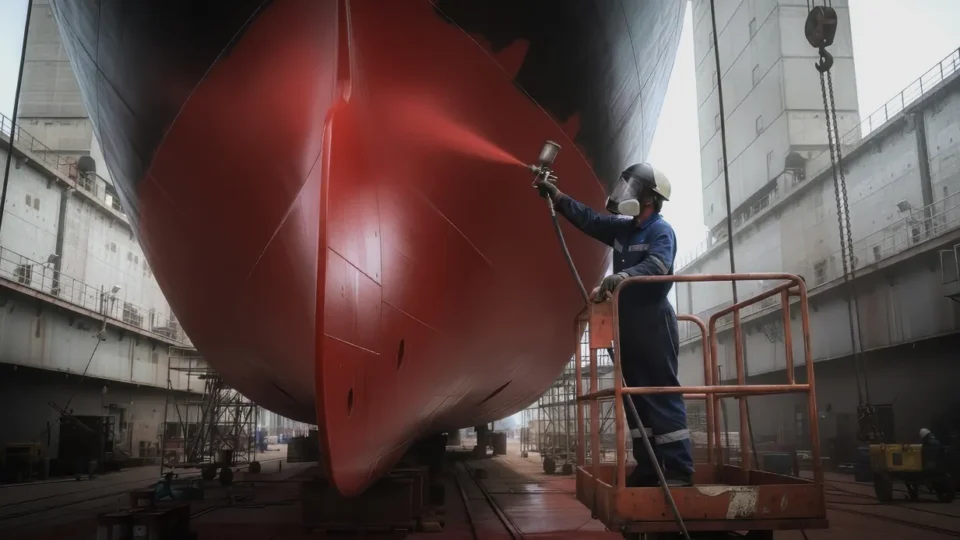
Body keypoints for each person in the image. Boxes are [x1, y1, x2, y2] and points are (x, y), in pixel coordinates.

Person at [535, 163, 694, 487]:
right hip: (628, 325)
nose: (627, 193)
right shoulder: (624, 229)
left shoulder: (660, 231)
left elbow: (659, 264)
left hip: (652, 322)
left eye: (634, 188)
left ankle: (678, 469)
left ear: (650, 197)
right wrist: (558, 196)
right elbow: (590, 220)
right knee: (634, 397)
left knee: (660, 392)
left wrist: (622, 276)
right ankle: (649, 468)